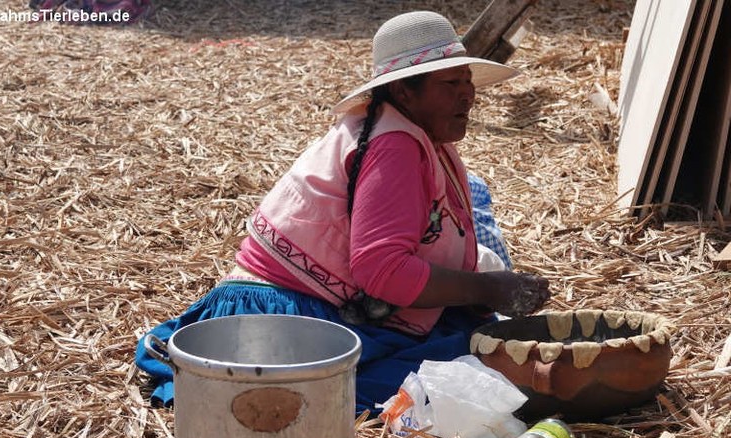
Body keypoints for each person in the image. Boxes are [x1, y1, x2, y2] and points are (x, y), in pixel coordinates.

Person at [135, 10, 550, 415]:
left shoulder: (410, 133)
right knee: (460, 369)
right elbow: (381, 271)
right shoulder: (394, 146)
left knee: (477, 346)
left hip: (327, 302)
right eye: (449, 83)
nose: (467, 94)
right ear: (405, 91)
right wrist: (486, 289)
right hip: (283, 313)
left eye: (467, 80)